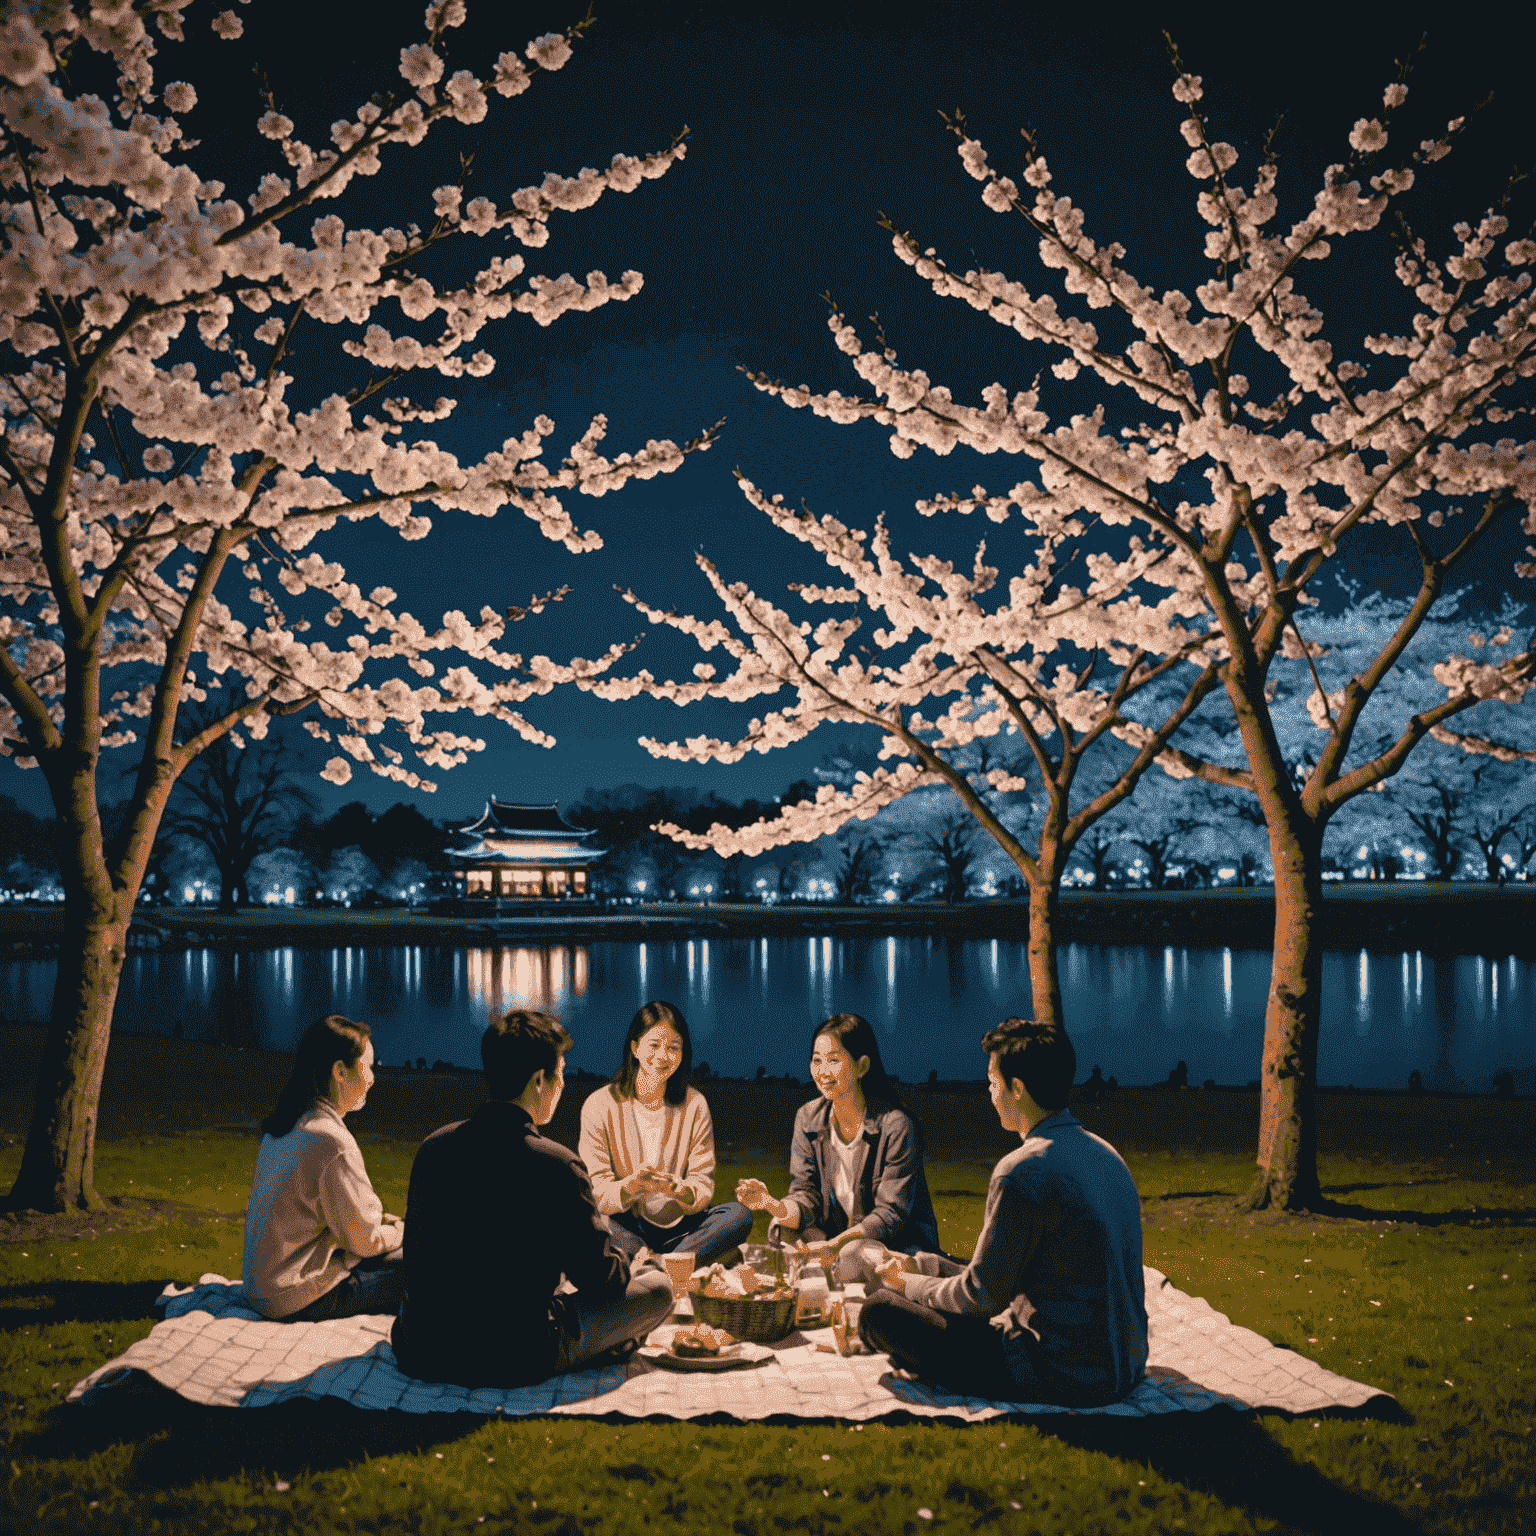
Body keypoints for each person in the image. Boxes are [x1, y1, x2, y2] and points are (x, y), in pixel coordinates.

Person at [859, 1016, 1147, 1407]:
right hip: (1123, 1364)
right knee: (928, 1274)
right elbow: (1003, 1276)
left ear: (1018, 1088)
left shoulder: (1022, 1171)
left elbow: (982, 1298)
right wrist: (923, 1266)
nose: (990, 1094)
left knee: (880, 1311)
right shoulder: (1104, 1153)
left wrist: (906, 1286)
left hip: (1059, 1372)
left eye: (993, 1083)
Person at [390, 1009, 672, 1387]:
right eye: (562, 1074)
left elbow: (417, 1257)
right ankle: (617, 1341)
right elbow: (599, 1280)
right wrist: (628, 1263)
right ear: (541, 1079)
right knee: (657, 1288)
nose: (563, 1085)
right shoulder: (555, 1164)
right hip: (513, 1352)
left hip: (422, 1346)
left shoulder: (434, 1147)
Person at [735, 1013, 940, 1286]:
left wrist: (835, 1245)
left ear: (862, 1066)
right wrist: (769, 1203)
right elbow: (806, 1195)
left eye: (833, 1060)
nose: (822, 1071)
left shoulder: (896, 1126)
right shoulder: (808, 1118)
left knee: (854, 1253)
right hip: (835, 1240)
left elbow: (890, 1217)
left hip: (893, 1246)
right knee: (782, 1227)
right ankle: (827, 1278)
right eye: (816, 1061)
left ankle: (828, 1277)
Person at [242, 1015, 405, 1321]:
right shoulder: (330, 1141)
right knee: (430, 1261)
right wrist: (399, 1231)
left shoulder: (289, 1125)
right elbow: (365, 1241)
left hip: (261, 1289)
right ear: (340, 1071)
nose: (372, 1077)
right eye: (368, 1066)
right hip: (292, 1296)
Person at [578, 1000, 753, 1267]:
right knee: (584, 1217)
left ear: (683, 1053)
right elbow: (598, 1193)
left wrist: (679, 1190)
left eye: (673, 1047)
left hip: (683, 1231)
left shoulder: (694, 1104)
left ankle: (657, 1266)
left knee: (737, 1214)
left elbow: (702, 1185)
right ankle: (677, 1266)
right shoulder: (600, 1105)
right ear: (635, 1048)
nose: (664, 1055)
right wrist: (631, 1187)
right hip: (628, 1230)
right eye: (654, 1045)